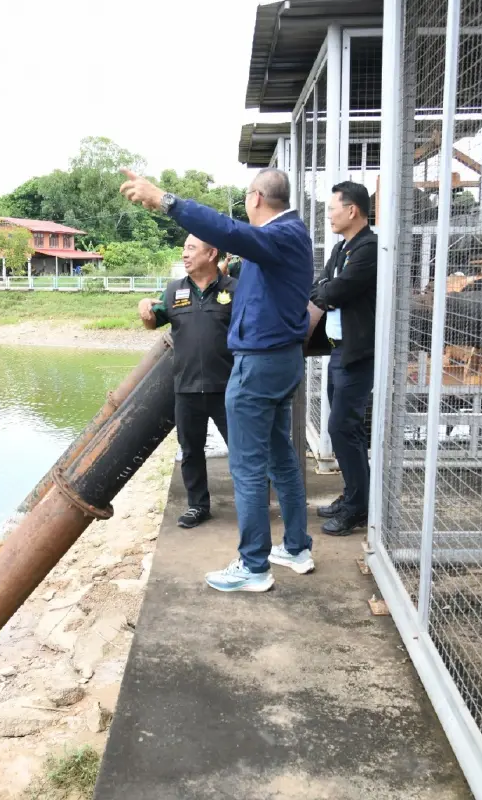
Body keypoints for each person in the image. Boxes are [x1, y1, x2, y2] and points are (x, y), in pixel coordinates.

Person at [120, 167, 315, 592]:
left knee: (246, 465)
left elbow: (232, 234)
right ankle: (296, 547)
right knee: (280, 455)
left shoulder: (279, 236)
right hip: (280, 362)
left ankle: (254, 566)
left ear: (255, 199)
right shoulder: (289, 238)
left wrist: (166, 201)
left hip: (259, 365)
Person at [138, 234, 237, 529]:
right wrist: (144, 307)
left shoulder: (235, 289)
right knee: (191, 450)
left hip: (229, 388)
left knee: (241, 449)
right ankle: (198, 506)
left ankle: (250, 503)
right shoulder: (173, 291)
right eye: (183, 249)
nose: (184, 254)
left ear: (212, 253)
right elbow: (152, 320)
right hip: (187, 387)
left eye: (191, 248)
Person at [310, 182, 378, 536]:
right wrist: (327, 292)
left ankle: (357, 507)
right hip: (339, 350)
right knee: (343, 429)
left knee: (342, 427)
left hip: (358, 353)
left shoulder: (370, 248)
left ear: (352, 210)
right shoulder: (341, 249)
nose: (330, 216)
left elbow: (336, 290)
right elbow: (320, 287)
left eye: (332, 209)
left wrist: (327, 293)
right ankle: (353, 495)